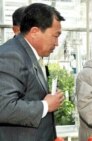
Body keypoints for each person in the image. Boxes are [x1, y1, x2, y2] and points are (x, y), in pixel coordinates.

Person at [0, 3, 65, 141]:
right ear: (35, 32)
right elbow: (4, 107)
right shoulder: (12, 55)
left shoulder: (28, 54)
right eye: (55, 36)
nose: (57, 43)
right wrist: (46, 105)